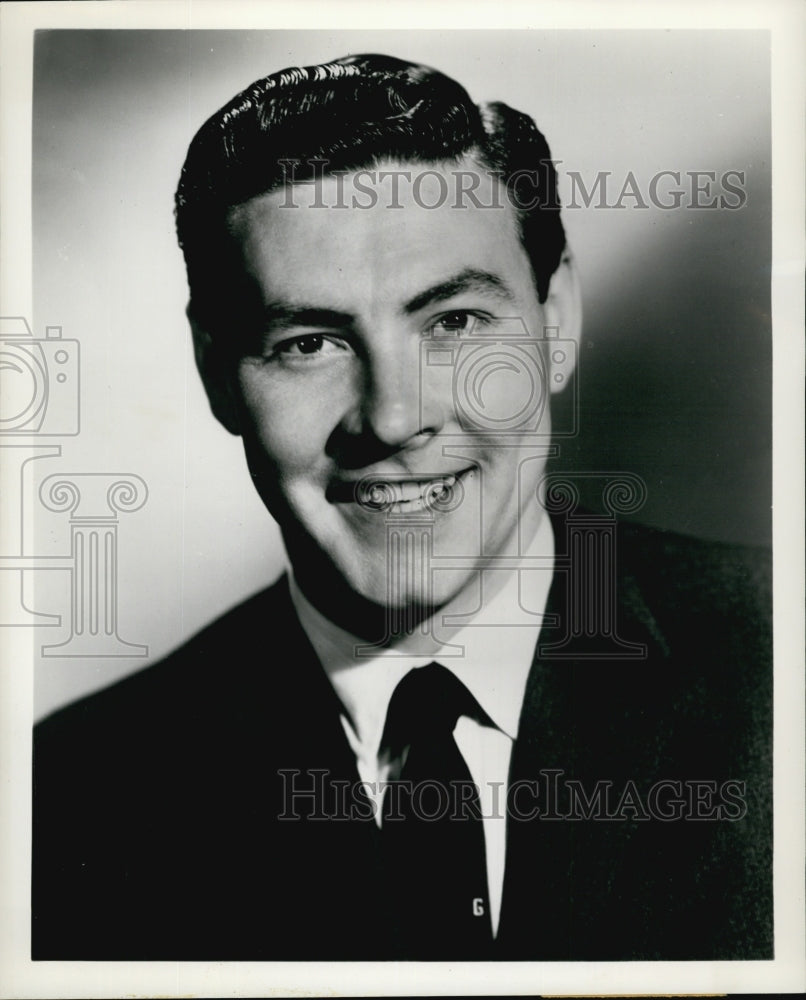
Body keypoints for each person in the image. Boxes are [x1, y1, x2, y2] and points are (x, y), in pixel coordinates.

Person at [32, 53, 772, 961]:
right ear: (214, 371)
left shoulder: (780, 668)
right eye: (308, 342)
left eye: (454, 322)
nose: (391, 417)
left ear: (559, 319)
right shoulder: (65, 801)